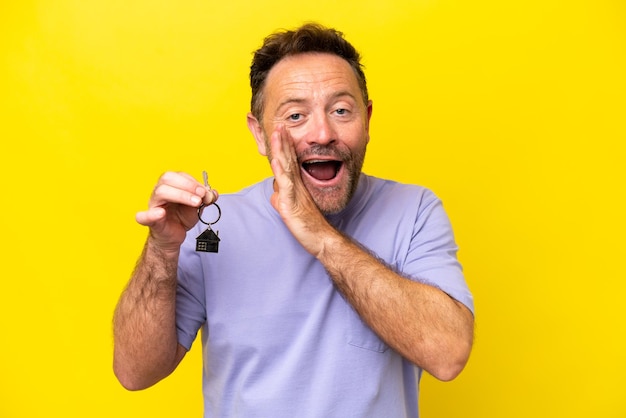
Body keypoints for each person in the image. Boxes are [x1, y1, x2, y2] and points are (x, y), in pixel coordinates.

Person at [113, 23, 474, 417]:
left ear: (367, 120)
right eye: (296, 115)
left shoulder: (414, 210)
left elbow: (448, 353)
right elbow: (134, 371)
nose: (322, 132)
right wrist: (162, 250)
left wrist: (319, 235)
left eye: (341, 110)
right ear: (260, 134)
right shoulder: (210, 227)